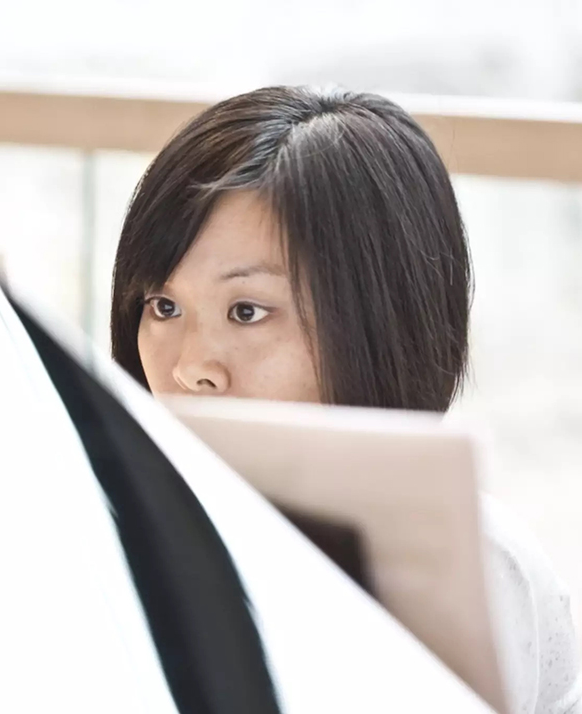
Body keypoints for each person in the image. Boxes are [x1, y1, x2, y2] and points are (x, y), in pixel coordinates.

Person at [110, 86, 581, 714]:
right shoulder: (147, 522)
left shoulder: (471, 568)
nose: (191, 367)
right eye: (164, 307)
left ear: (377, 322)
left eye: (247, 311)